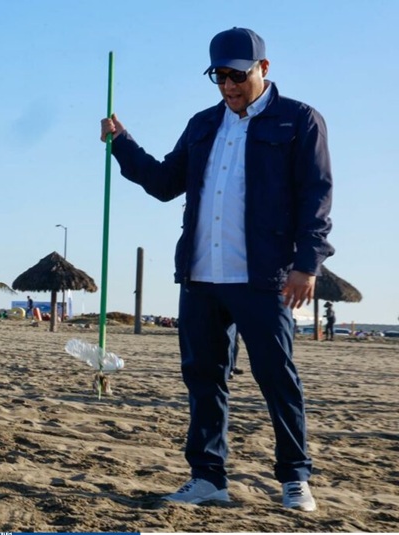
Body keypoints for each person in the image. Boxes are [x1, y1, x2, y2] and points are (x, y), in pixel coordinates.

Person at [100, 28, 333, 512]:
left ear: (263, 70)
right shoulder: (203, 124)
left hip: (264, 278)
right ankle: (208, 478)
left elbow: (317, 196)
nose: (228, 85)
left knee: (277, 378)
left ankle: (295, 479)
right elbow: (166, 183)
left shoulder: (299, 121)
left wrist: (307, 264)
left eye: (237, 75)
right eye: (218, 76)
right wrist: (122, 144)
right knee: (203, 380)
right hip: (202, 276)